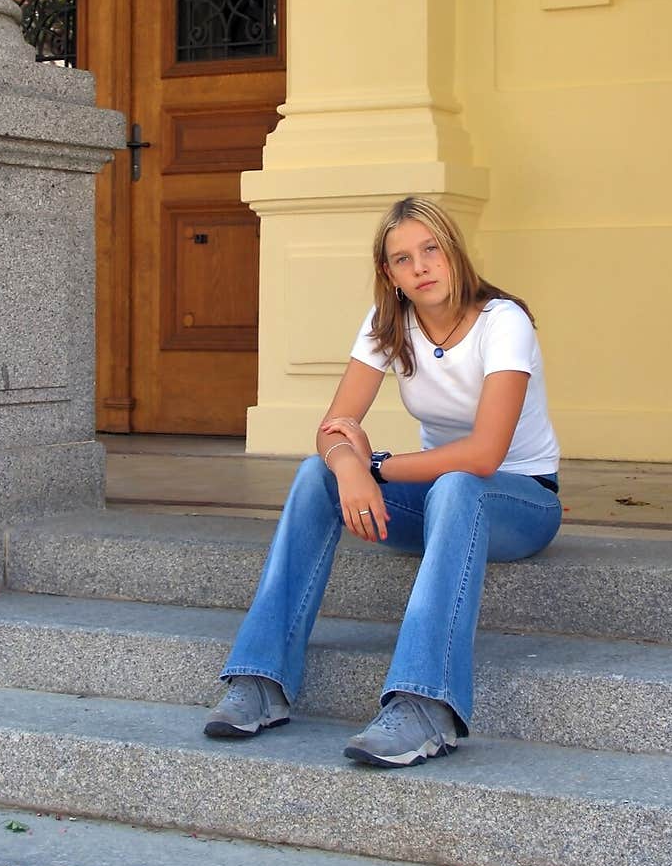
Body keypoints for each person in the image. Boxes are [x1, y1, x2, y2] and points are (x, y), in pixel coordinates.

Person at [204, 195, 562, 768]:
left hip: (519, 502)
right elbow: (334, 428)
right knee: (314, 474)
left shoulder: (503, 323)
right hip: (443, 503)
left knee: (458, 482)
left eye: (430, 250)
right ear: (388, 274)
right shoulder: (386, 324)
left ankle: (426, 707)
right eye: (402, 259)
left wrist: (377, 468)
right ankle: (261, 679)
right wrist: (348, 466)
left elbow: (484, 453)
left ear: (453, 253)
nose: (420, 267)